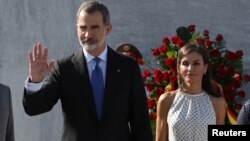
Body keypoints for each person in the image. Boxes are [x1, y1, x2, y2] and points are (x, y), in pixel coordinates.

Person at [22, 1, 153, 141]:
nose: (87, 34)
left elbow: (141, 124)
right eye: (83, 28)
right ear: (76, 28)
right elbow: (34, 108)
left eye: (94, 27)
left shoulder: (128, 67)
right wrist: (35, 81)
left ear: (107, 29)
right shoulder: (64, 68)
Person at [155, 44, 226, 141]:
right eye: (185, 63)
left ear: (205, 68)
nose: (190, 69)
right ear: (179, 68)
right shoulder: (166, 100)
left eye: (196, 63)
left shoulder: (217, 103)